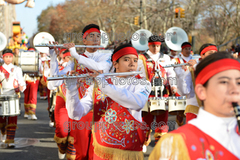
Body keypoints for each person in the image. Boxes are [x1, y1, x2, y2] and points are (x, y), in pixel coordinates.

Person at [65, 43, 151, 160]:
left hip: (129, 149)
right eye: (126, 60)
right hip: (102, 150)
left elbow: (138, 103)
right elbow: (76, 114)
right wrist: (72, 91)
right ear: (115, 64)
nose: (132, 64)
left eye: (135, 60)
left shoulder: (142, 83)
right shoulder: (99, 83)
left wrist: (104, 85)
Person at [149, 52, 240, 160]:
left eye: (239, 83)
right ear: (201, 92)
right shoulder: (175, 144)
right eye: (224, 82)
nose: (235, 90)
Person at [50, 24, 112, 160]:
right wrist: (53, 57)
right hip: (82, 110)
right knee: (82, 153)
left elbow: (100, 68)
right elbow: (54, 82)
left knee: (98, 153)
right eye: (91, 36)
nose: (96, 39)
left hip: (102, 110)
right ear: (84, 41)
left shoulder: (106, 57)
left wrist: (76, 55)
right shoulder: (75, 60)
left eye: (98, 36)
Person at [138, 35, 177, 150]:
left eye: (158, 46)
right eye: (153, 46)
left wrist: (173, 86)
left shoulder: (165, 58)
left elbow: (171, 73)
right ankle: (144, 141)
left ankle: (160, 144)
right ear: (149, 45)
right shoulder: (142, 58)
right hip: (148, 93)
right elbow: (139, 75)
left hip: (162, 92)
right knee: (146, 118)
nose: (155, 48)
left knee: (162, 119)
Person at [174, 43, 218, 123]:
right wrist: (179, 75)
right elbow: (184, 91)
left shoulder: (219, 70)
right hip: (194, 111)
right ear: (202, 56)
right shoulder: (191, 69)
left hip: (213, 111)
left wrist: (195, 67)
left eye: (215, 53)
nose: (213, 56)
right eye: (210, 54)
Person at [0, 49, 26, 148]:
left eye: (10, 57)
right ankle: (3, 132)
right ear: (3, 57)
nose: (8, 59)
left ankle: (10, 140)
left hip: (13, 96)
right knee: (1, 118)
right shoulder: (0, 69)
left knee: (12, 118)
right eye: (6, 57)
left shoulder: (17, 69)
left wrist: (22, 87)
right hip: (1, 95)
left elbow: (21, 81)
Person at [23, 47, 40, 120]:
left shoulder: (37, 60)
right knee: (26, 96)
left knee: (33, 96)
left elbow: (40, 70)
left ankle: (32, 113)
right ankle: (27, 112)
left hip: (34, 79)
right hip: (26, 79)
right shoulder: (24, 59)